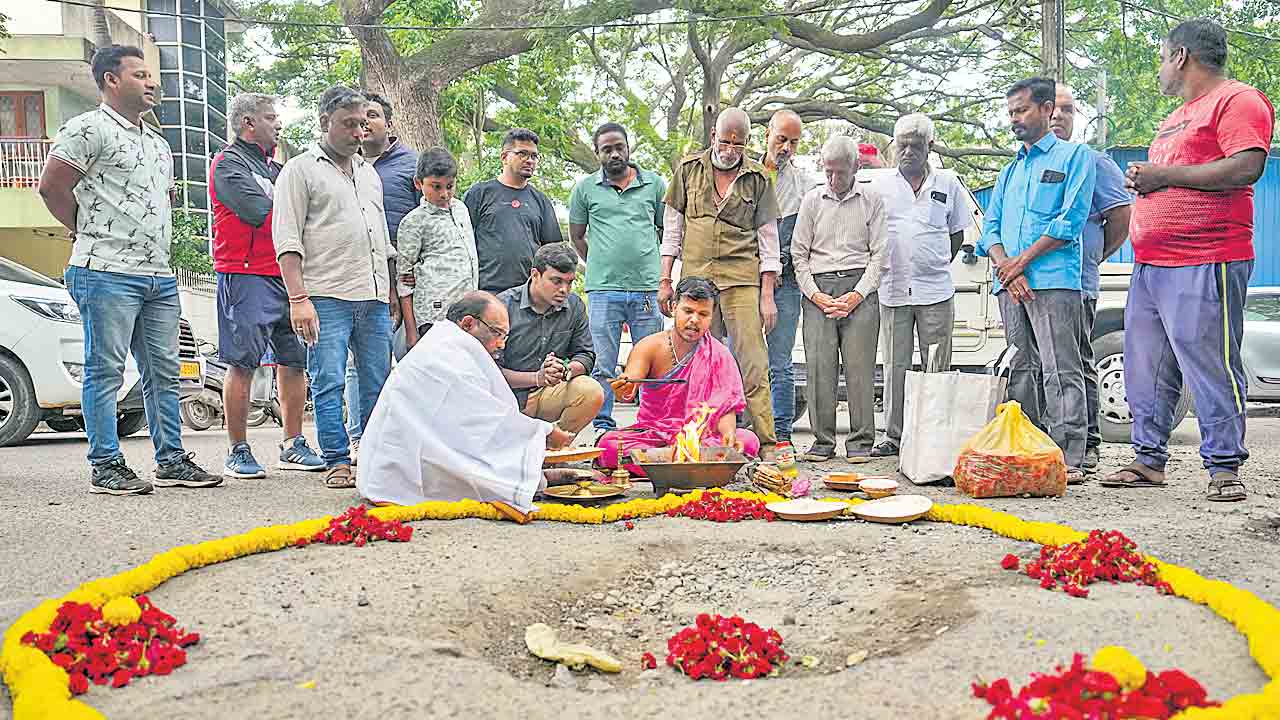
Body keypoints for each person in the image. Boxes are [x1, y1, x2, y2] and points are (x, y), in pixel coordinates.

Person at [39, 44, 221, 495]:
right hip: (104, 271)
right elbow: (51, 187)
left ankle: (172, 460)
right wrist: (84, 230)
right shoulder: (85, 129)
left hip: (158, 275)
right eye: (140, 75)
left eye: (151, 75)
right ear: (111, 81)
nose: (151, 82)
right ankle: (106, 464)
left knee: (164, 370)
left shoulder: (157, 144)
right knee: (105, 371)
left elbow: (159, 203)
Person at [1104, 20, 1273, 502]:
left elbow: (1247, 165)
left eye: (1161, 57)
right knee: (1146, 366)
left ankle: (1223, 466)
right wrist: (1149, 179)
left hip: (1206, 256)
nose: (1160, 68)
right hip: (1152, 263)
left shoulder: (1237, 100)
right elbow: (1173, 178)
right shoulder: (1177, 117)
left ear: (1181, 56)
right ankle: (1147, 460)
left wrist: (1163, 175)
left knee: (1210, 362)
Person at [357, 292, 584, 519]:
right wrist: (545, 432)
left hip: (398, 461)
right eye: (497, 333)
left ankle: (536, 479)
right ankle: (534, 481)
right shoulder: (447, 351)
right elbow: (481, 420)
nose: (501, 344)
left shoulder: (448, 342)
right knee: (473, 460)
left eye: (504, 336)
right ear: (468, 324)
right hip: (399, 470)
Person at [273, 85, 398, 490]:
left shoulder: (368, 172)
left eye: (363, 124)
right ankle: (337, 460)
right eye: (349, 124)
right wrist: (298, 299)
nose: (359, 132)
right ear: (324, 122)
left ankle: (376, 457)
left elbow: (379, 236)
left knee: (378, 381)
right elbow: (287, 240)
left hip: (374, 296)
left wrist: (391, 292)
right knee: (328, 381)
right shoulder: (300, 170)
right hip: (325, 297)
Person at [978, 76, 1096, 484]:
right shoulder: (1009, 171)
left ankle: (1069, 458)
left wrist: (1021, 263)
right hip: (1010, 286)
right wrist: (1008, 269)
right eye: (1011, 112)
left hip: (1054, 280)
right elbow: (989, 228)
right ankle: (1029, 450)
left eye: (1022, 110)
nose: (1015, 119)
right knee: (1022, 369)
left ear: (1048, 109)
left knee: (1061, 369)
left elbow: (1071, 220)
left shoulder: (1075, 157)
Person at [209, 92, 324, 478]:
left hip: (285, 278)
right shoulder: (227, 165)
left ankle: (293, 443)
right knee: (243, 363)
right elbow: (267, 214)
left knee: (294, 361)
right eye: (271, 117)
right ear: (248, 124)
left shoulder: (277, 170)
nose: (278, 124)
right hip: (245, 275)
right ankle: (237, 450)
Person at [661, 107, 781, 457]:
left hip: (742, 278)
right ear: (713, 134)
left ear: (746, 143)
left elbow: (768, 241)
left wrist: (768, 294)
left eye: (738, 144)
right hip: (696, 279)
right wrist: (665, 279)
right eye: (725, 141)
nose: (730, 149)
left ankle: (767, 443)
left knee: (753, 360)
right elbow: (672, 230)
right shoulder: (686, 170)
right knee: (695, 360)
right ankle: (695, 439)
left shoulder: (759, 178)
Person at [869, 114, 975, 459]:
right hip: (894, 290)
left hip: (936, 291)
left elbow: (957, 233)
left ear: (930, 146)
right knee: (895, 364)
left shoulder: (948, 182)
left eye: (916, 145)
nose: (909, 151)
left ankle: (931, 433)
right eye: (903, 144)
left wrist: (933, 261)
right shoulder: (880, 186)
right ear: (894, 146)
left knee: (936, 367)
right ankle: (894, 436)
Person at [1049, 85, 1133, 471]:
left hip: (1076, 280)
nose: (1058, 117)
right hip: (1035, 282)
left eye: (1067, 110)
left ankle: (1088, 444)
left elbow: (1120, 220)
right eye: (1053, 109)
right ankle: (1051, 443)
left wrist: (1093, 257)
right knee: (1045, 367)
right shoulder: (1026, 164)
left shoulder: (1095, 163)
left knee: (1077, 361)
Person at [597, 277, 760, 475]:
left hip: (701, 436)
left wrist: (729, 435)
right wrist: (624, 388)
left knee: (749, 441)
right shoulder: (650, 346)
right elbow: (629, 387)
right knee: (609, 446)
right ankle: (690, 464)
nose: (694, 320)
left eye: (703, 314)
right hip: (654, 434)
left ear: (711, 317)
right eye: (688, 311)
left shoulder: (720, 354)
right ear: (674, 308)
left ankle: (664, 464)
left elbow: (725, 407)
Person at [791, 135, 887, 462]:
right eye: (828, 172)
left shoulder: (872, 200)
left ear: (856, 167)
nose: (833, 180)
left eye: (840, 173)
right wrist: (816, 295)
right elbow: (798, 254)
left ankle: (861, 442)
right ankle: (821, 442)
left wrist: (857, 294)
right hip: (818, 287)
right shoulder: (812, 201)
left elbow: (879, 255)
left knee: (860, 368)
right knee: (819, 367)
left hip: (859, 286)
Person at [568, 122, 667, 431]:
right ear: (598, 153)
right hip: (603, 290)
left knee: (653, 362)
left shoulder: (655, 185)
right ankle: (603, 427)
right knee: (602, 362)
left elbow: (666, 230)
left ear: (628, 147)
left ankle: (652, 425)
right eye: (606, 149)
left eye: (618, 147)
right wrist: (600, 262)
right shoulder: (585, 189)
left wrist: (645, 261)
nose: (614, 154)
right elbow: (577, 236)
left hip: (647, 290)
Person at [344, 92, 422, 448]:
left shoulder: (412, 164)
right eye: (360, 117)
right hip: (357, 277)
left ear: (389, 125)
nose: (365, 123)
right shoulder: (343, 164)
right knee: (358, 364)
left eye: (372, 115)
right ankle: (362, 437)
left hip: (407, 282)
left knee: (411, 357)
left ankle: (413, 439)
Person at [498, 243, 604, 437]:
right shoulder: (502, 307)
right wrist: (537, 378)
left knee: (591, 391)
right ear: (535, 275)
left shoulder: (574, 306)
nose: (564, 289)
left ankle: (553, 451)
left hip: (548, 392)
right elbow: (488, 371)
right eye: (556, 281)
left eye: (569, 282)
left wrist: (565, 370)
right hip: (506, 398)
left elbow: (586, 355)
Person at [761, 109, 820, 444]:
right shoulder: (747, 174)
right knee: (740, 358)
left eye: (793, 142)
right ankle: (742, 434)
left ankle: (781, 436)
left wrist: (780, 265)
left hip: (785, 286)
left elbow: (806, 240)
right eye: (781, 138)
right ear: (767, 134)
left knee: (779, 361)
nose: (785, 147)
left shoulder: (804, 186)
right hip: (746, 282)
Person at [396, 147, 477, 348]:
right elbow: (404, 280)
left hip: (466, 310)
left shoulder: (461, 209)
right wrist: (411, 332)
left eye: (450, 186)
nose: (444, 194)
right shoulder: (414, 222)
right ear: (418, 183)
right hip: (434, 316)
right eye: (436, 186)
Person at [465, 128, 563, 294]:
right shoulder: (479, 193)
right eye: (522, 154)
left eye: (534, 156)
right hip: (487, 291)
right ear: (504, 157)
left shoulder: (540, 200)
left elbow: (553, 251)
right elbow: (462, 243)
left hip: (529, 293)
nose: (530, 160)